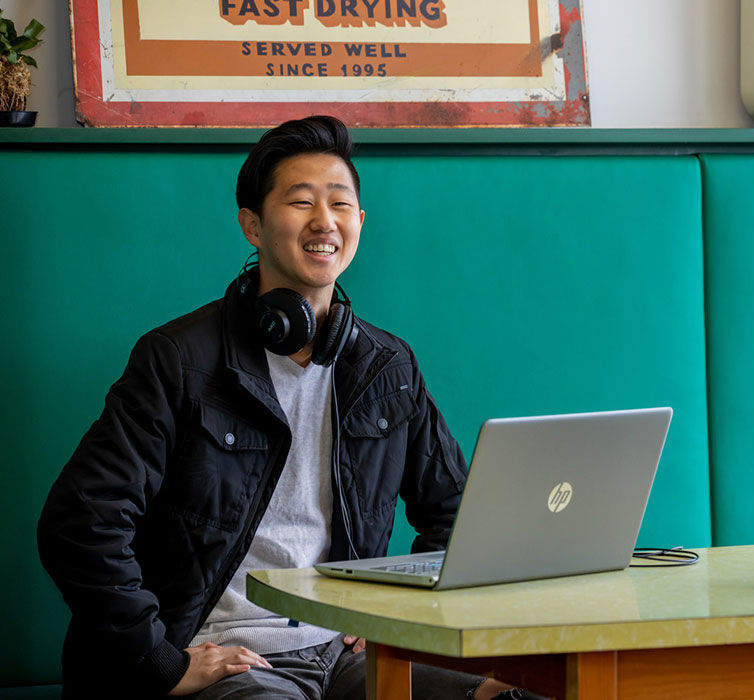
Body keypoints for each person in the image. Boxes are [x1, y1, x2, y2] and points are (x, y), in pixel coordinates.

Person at [38, 115, 529, 700]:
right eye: (301, 202)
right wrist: (158, 661)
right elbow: (82, 521)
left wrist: (395, 618)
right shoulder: (179, 359)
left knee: (515, 692)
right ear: (252, 224)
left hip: (347, 652)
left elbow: (458, 520)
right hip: (231, 658)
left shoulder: (387, 367)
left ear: (359, 223)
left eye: (340, 204)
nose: (325, 222)